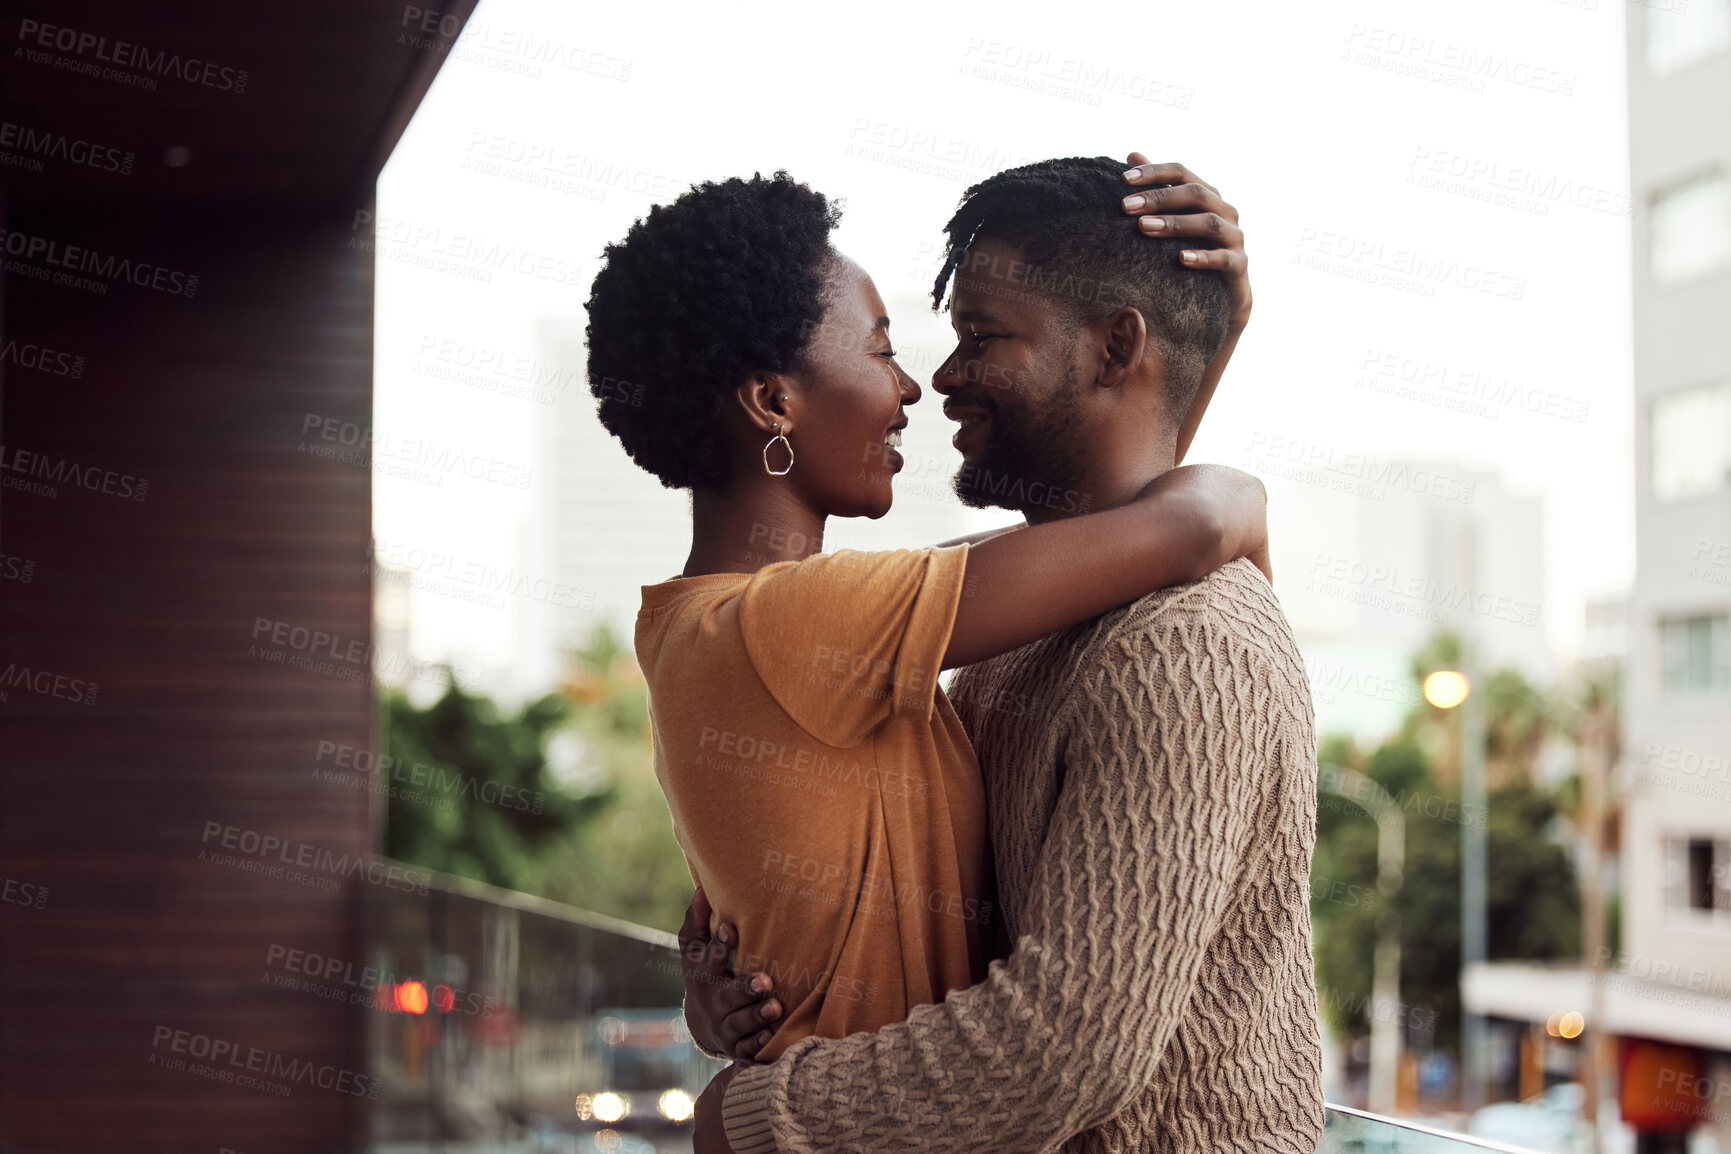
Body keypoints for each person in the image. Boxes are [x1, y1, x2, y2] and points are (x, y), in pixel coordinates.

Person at [680, 158, 1325, 1154]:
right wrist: (734, 961)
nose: (938, 378)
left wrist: (750, 1117)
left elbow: (1055, 1049)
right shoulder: (1016, 634)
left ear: (1116, 347)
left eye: (984, 337)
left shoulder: (1187, 645)